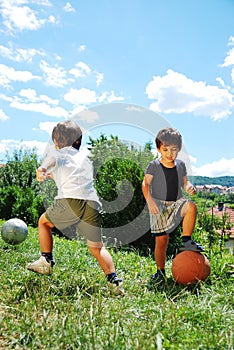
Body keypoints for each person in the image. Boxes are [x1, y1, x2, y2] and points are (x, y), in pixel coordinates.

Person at [27, 120, 124, 296]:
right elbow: (73, 176)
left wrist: (42, 169)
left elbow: (51, 160)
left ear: (56, 142)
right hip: (92, 203)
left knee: (43, 223)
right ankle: (114, 281)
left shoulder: (58, 154)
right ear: (78, 141)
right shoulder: (84, 158)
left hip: (70, 201)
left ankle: (46, 261)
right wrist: (52, 176)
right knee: (97, 247)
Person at [142, 127, 204, 284]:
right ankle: (160, 272)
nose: (170, 154)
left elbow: (184, 182)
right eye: (165, 150)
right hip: (158, 205)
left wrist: (189, 186)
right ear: (158, 149)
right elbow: (145, 184)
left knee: (191, 206)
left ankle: (187, 239)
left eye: (174, 150)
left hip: (176, 203)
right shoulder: (154, 165)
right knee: (162, 241)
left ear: (179, 149)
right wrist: (149, 201)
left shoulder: (181, 165)